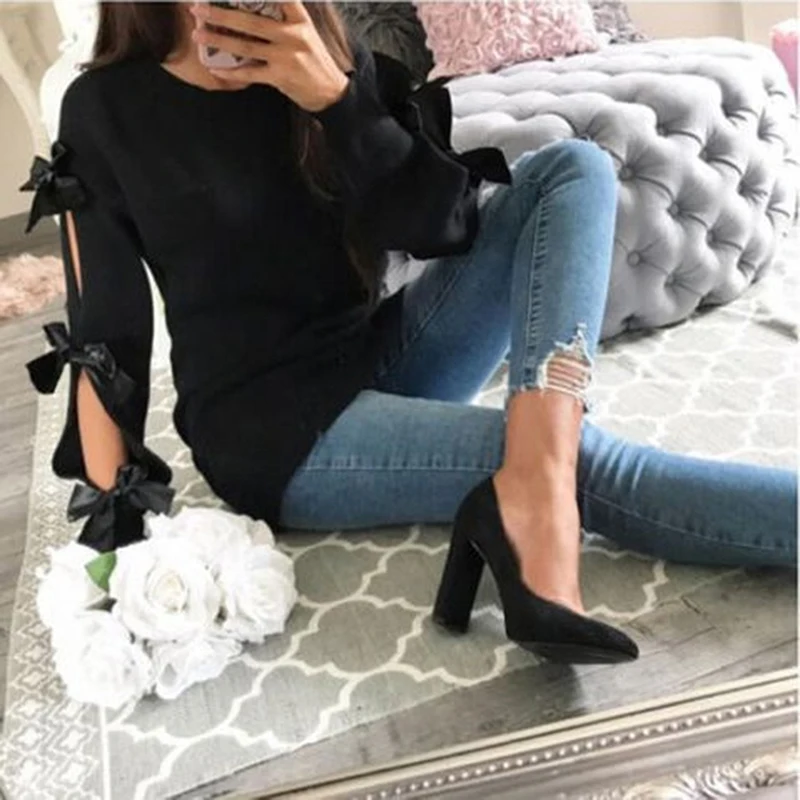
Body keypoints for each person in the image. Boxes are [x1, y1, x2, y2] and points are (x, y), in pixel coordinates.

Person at [22, 1, 797, 666]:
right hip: (271, 432)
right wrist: (117, 542)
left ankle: (536, 477)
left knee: (573, 170)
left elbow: (440, 228)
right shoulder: (104, 109)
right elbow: (106, 332)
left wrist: (336, 100)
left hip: (379, 354)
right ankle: (544, 492)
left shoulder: (321, 55)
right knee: (591, 466)